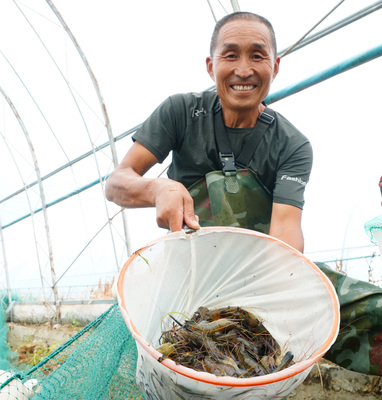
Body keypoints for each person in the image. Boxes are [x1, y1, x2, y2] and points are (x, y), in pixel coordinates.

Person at [105, 11, 313, 253]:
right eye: (231, 55)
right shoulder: (180, 112)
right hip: (189, 270)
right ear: (210, 66)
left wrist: (277, 280)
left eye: (257, 56)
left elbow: (286, 232)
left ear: (275, 67)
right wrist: (158, 188)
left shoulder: (291, 145)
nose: (244, 70)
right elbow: (116, 183)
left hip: (259, 270)